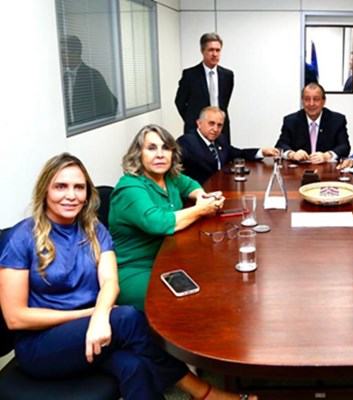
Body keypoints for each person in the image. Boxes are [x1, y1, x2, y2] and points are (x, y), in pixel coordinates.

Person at [0, 153, 255, 400]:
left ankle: (205, 395)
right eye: (60, 187)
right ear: (45, 190)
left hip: (94, 331)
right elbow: (15, 318)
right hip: (41, 347)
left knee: (134, 367)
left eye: (79, 188)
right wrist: (94, 315)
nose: (71, 195)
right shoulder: (21, 238)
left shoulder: (94, 229)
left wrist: (100, 315)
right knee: (126, 318)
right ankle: (205, 393)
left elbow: (110, 281)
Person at [109, 125, 225, 311]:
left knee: (217, 279)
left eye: (166, 148)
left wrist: (201, 196)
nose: (160, 154)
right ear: (139, 154)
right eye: (151, 148)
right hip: (136, 269)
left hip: (170, 260)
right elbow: (158, 223)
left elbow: (189, 184)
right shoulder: (130, 187)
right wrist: (201, 210)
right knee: (190, 302)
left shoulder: (169, 177)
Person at [177, 106, 279, 184]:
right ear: (199, 123)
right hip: (198, 193)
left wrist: (262, 152)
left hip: (221, 188)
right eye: (211, 124)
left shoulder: (220, 139)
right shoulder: (186, 142)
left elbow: (238, 153)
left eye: (219, 125)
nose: (215, 129)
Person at [175, 33, 235, 142]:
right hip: (196, 129)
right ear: (202, 51)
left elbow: (224, 102)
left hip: (221, 128)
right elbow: (180, 101)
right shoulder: (190, 75)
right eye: (211, 50)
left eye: (218, 50)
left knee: (223, 157)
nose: (214, 54)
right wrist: (193, 120)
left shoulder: (227, 75)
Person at [275, 82, 350, 164]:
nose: (311, 104)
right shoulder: (291, 121)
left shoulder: (337, 120)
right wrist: (292, 154)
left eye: (316, 99)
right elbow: (280, 145)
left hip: (327, 171)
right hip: (298, 171)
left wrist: (327, 156)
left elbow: (344, 147)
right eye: (307, 99)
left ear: (323, 101)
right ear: (302, 101)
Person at [60, 35, 117, 126]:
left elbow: (112, 104)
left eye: (63, 52)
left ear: (76, 52)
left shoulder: (92, 75)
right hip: (72, 130)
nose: (60, 56)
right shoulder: (65, 77)